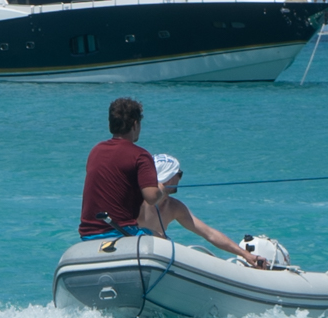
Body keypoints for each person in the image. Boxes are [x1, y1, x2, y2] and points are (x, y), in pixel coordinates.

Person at [135, 154, 272, 266]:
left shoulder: (175, 207)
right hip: (134, 255)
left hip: (155, 261)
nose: (180, 178)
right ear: (170, 178)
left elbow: (209, 233)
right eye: (179, 174)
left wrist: (245, 254)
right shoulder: (138, 201)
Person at [80, 97, 162, 238]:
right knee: (161, 237)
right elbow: (151, 197)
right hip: (120, 231)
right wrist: (160, 188)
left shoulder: (96, 151)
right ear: (135, 125)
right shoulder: (140, 155)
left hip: (88, 234)